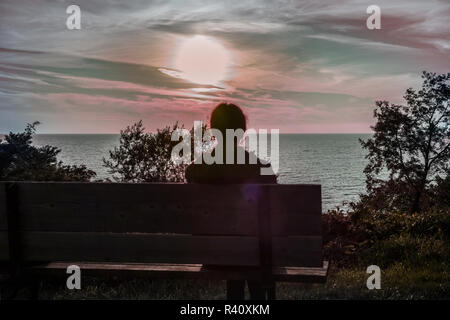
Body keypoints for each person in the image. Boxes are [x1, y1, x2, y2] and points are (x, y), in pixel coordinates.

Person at [185, 102, 277, 300]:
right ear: (242, 132)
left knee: (237, 250)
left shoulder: (197, 170)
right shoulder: (262, 169)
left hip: (215, 254)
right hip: (258, 255)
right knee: (251, 248)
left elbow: (190, 173)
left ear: (213, 131)